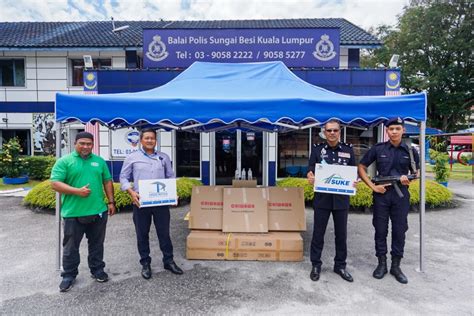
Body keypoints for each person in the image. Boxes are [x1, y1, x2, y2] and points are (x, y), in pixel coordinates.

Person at [50, 131, 116, 292]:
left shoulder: (99, 161)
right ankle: (69, 275)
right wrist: (76, 191)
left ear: (93, 145)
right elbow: (55, 183)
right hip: (73, 213)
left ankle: (97, 270)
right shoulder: (64, 161)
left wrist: (111, 201)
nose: (86, 146)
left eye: (89, 144)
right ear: (75, 144)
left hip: (98, 212)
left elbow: (107, 181)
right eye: (82, 143)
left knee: (97, 244)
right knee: (71, 247)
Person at [358, 117, 419, 284]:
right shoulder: (378, 149)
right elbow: (361, 167)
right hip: (382, 194)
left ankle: (396, 266)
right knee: (380, 229)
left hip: (401, 195)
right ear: (387, 131)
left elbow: (416, 172)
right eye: (391, 129)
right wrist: (372, 186)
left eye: (397, 129)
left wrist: (410, 179)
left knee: (400, 230)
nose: (394, 131)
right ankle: (382, 264)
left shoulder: (411, 151)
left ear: (403, 131)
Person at [120, 128, 183, 280]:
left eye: (152, 138)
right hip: (141, 202)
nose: (150, 140)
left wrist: (173, 193)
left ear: (156, 140)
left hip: (161, 203)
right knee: (142, 234)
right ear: (141, 140)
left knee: (164, 233)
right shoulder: (132, 158)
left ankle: (168, 261)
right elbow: (123, 177)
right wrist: (131, 192)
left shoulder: (164, 157)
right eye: (147, 138)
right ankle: (145, 263)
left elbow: (170, 177)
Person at [307, 120, 356, 282]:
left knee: (341, 235)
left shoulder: (348, 150)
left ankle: (340, 266)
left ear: (339, 132)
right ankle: (316, 265)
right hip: (322, 199)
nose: (332, 133)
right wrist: (310, 176)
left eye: (335, 130)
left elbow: (353, 172)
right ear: (324, 132)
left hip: (341, 200)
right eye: (329, 130)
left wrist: (355, 181)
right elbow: (310, 171)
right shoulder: (317, 150)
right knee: (318, 234)